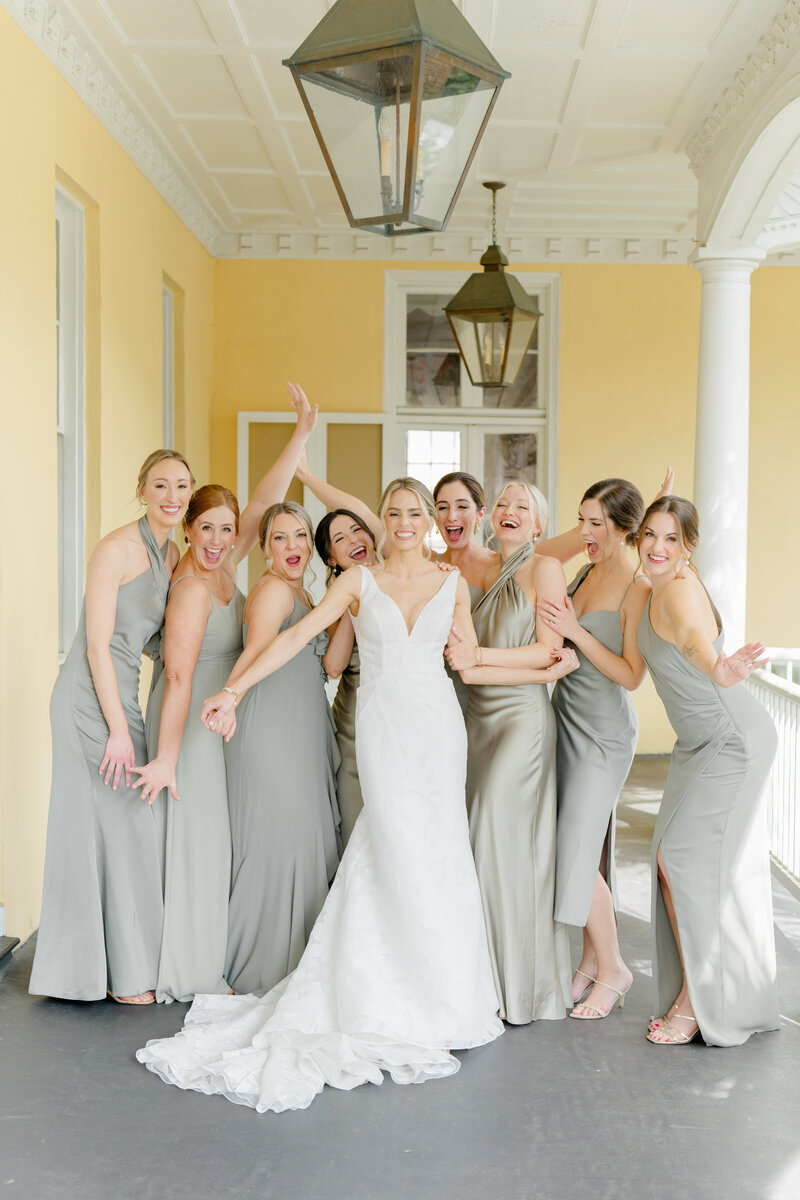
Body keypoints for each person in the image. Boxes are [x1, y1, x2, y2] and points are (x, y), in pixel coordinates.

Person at [137, 478, 504, 1113]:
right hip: (384, 735)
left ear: (429, 520)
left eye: (416, 512)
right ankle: (377, 991)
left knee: (439, 852)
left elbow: (467, 659)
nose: (407, 522)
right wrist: (233, 690)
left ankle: (443, 993)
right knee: (387, 847)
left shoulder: (455, 584)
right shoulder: (357, 583)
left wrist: (545, 661)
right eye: (395, 513)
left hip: (439, 732)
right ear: (383, 522)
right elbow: (288, 638)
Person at [131, 390, 320, 1002]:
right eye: (204, 528)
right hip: (186, 722)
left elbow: (265, 499)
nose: (216, 539)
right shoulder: (191, 588)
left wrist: (300, 434)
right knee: (200, 841)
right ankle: (192, 969)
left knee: (217, 841)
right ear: (187, 530)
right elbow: (179, 679)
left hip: (218, 716)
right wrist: (165, 757)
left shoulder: (223, 564)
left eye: (224, 529)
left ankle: (215, 953)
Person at [29, 450, 194, 1004]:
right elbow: (98, 646)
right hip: (88, 700)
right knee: (114, 824)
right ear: (141, 489)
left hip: (124, 696)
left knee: (125, 825)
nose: (172, 496)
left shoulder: (171, 553)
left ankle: (107, 966)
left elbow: (149, 639)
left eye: (181, 487)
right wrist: (120, 731)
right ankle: (114, 974)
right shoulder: (115, 549)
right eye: (161, 485)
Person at [636, 496, 778, 1046]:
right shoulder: (654, 582)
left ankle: (698, 998)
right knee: (679, 862)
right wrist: (665, 488)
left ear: (689, 548)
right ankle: (722, 988)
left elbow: (694, 638)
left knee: (680, 862)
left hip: (731, 741)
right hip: (697, 743)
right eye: (650, 534)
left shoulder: (677, 590)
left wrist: (718, 665)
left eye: (672, 539)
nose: (657, 547)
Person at [445, 482, 576, 1024]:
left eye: (523, 507)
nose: (510, 512)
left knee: (495, 830)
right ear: (488, 517)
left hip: (522, 719)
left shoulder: (544, 567)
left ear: (539, 525)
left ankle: (519, 987)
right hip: (475, 720)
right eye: (502, 504)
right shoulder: (476, 573)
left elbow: (549, 651)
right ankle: (483, 979)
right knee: (484, 845)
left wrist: (478, 657)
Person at [537, 479, 650, 1020]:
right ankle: (588, 959)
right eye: (581, 519)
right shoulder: (585, 566)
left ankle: (613, 969)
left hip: (604, 734)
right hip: (565, 717)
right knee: (574, 845)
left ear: (623, 528)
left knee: (576, 852)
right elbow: (537, 556)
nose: (584, 532)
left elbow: (632, 676)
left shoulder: (637, 588)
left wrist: (577, 636)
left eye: (595, 523)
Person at [312, 508, 378, 847]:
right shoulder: (337, 598)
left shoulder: (397, 577)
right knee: (356, 828)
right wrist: (355, 595)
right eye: (340, 539)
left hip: (396, 722)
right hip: (353, 725)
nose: (353, 540)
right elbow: (333, 666)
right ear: (331, 558)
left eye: (357, 531)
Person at [433, 472, 497, 714]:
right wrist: (306, 475)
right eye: (442, 507)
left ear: (480, 514)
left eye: (462, 506)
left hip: (491, 697)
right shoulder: (428, 567)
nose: (451, 516)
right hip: (439, 698)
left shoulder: (501, 566)